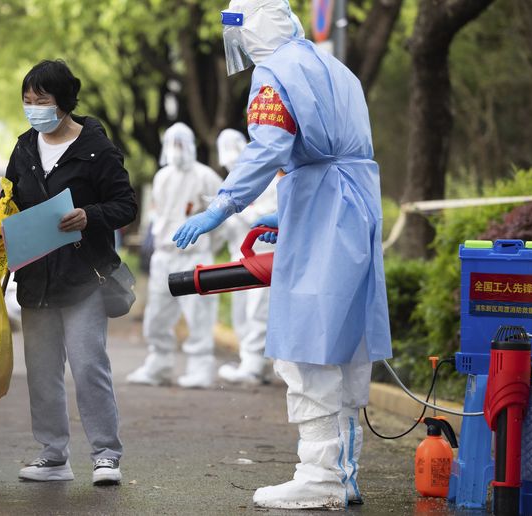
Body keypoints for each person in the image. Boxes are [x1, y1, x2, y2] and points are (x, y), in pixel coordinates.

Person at [172, 0, 392, 509]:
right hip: (352, 207)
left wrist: (222, 207)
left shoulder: (274, 73)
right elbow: (337, 151)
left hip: (322, 207)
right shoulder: (337, 68)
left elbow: (268, 147)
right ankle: (345, 472)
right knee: (343, 343)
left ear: (251, 30)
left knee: (307, 345)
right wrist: (295, 213)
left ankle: (319, 476)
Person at [6, 59, 137, 486]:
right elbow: (10, 201)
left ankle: (106, 454)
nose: (33, 108)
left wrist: (89, 215)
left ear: (64, 102)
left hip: (83, 278)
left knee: (87, 365)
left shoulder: (95, 148)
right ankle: (53, 455)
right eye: (27, 100)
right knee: (41, 371)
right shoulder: (24, 147)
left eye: (41, 100)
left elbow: (125, 204)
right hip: (36, 278)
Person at [126, 122, 222, 389]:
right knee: (157, 313)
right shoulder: (162, 177)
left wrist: (207, 247)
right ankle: (159, 362)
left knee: (199, 313)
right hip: (164, 254)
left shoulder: (206, 176)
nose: (176, 150)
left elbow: (223, 216)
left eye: (181, 143)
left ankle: (201, 366)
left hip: (195, 256)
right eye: (172, 143)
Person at [214, 128, 278, 386]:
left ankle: (253, 365)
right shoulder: (231, 181)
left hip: (263, 255)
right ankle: (251, 361)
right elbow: (230, 228)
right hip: (238, 255)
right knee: (241, 312)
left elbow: (266, 217)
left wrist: (238, 209)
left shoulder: (269, 178)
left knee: (258, 311)